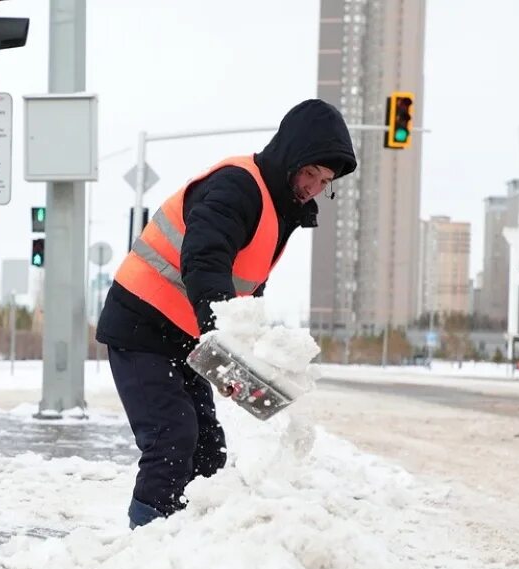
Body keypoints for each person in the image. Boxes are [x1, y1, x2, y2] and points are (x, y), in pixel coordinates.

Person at [96, 99, 357, 528]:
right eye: (310, 172)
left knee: (208, 450)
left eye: (324, 181)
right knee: (172, 439)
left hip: (182, 337)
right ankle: (145, 544)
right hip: (141, 326)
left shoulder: (280, 210)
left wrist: (243, 363)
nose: (314, 187)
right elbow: (203, 260)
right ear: (290, 155)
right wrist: (222, 340)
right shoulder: (238, 186)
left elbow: (243, 293)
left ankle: (201, 541)